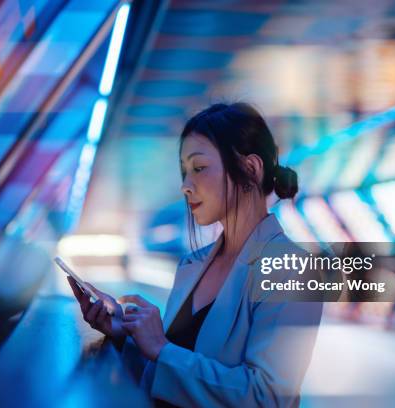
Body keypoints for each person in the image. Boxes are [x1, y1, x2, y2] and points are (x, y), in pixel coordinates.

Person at [68, 102, 322, 407]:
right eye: (184, 172)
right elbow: (172, 372)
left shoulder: (294, 270)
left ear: (251, 169)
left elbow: (266, 397)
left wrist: (161, 348)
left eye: (199, 168)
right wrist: (127, 335)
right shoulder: (193, 264)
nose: (186, 186)